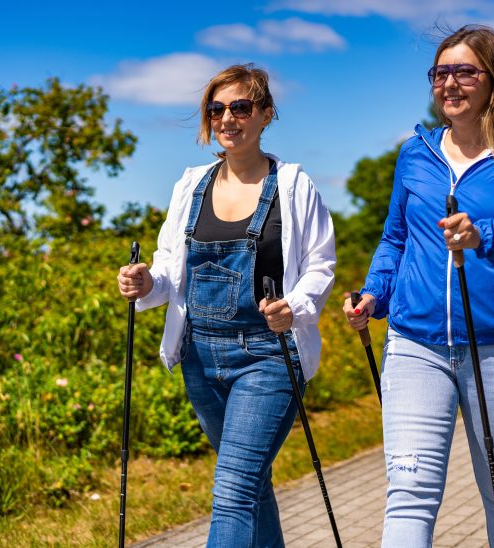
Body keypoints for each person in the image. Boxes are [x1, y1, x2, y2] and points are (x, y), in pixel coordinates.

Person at [344, 25, 494, 548]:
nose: (450, 83)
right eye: (441, 73)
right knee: (410, 489)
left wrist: (483, 236)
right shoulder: (415, 154)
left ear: (493, 80)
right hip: (416, 345)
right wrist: (375, 294)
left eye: (464, 71)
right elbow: (395, 240)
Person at [118, 64, 336, 547]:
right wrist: (143, 282)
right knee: (250, 486)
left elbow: (321, 265)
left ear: (265, 114)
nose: (227, 118)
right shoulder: (189, 185)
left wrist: (295, 308)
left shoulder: (294, 185)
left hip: (269, 356)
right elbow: (169, 271)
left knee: (233, 491)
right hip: (201, 356)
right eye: (216, 109)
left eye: (240, 107)